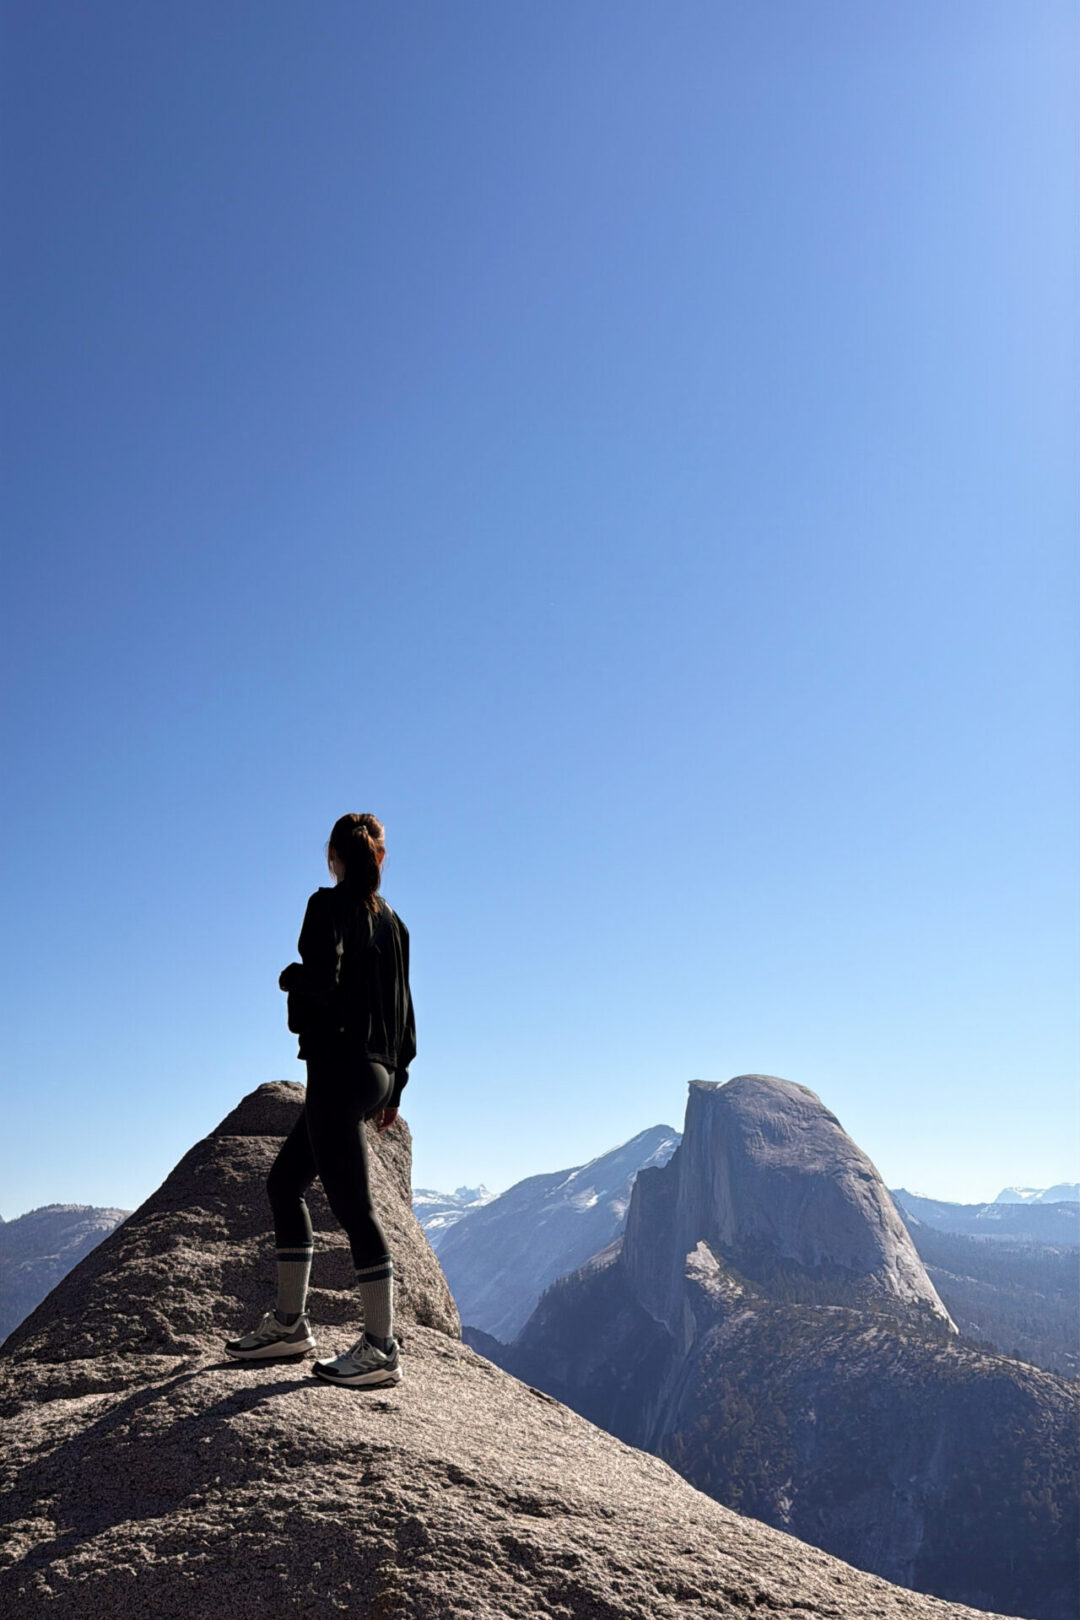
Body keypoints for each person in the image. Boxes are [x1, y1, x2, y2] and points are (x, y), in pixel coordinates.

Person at [224, 812, 416, 1388]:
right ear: (380, 857)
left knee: (356, 1208)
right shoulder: (397, 926)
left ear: (333, 856)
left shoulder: (325, 906)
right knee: (284, 1182)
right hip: (378, 1073)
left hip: (338, 1066)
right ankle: (289, 1326)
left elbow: (322, 978)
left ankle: (381, 1349)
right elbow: (406, 1015)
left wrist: (289, 977)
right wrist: (396, 1087)